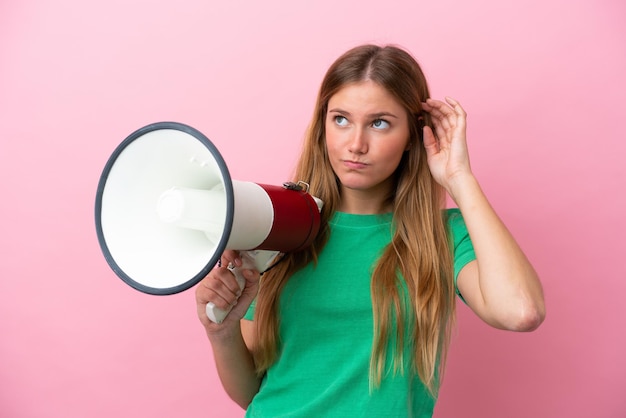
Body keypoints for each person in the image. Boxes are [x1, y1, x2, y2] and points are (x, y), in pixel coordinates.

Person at [195, 44, 546, 417]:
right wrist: (222, 331)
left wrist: (460, 178)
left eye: (379, 123)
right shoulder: (277, 225)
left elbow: (520, 311)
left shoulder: (441, 237)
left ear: (412, 135)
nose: (355, 144)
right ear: (322, 124)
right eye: (341, 119)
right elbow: (250, 393)